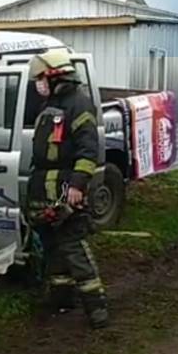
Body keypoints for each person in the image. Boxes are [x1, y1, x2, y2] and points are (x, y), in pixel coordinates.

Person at [26, 49, 108, 329]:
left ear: (55, 76)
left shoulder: (79, 105)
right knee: (51, 247)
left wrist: (77, 185)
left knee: (72, 246)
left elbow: (88, 150)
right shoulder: (48, 105)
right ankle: (62, 297)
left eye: (40, 78)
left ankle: (96, 307)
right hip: (43, 187)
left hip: (65, 187)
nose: (38, 84)